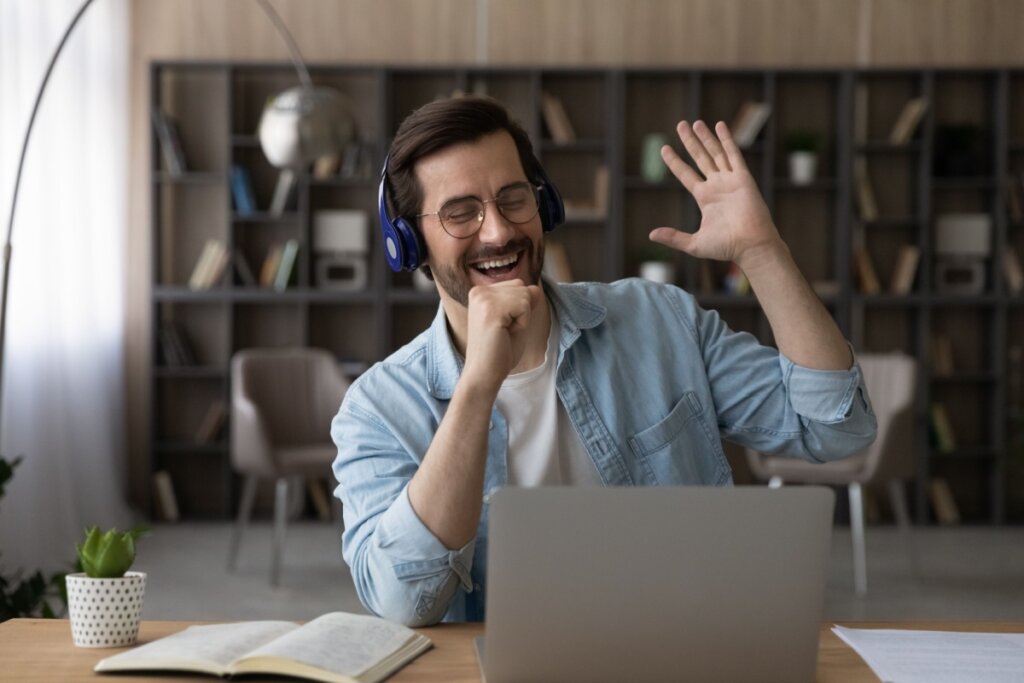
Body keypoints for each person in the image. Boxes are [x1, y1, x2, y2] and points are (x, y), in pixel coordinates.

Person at [331, 96, 877, 627]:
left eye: (513, 198)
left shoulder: (659, 320)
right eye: (461, 213)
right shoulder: (377, 409)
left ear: (544, 205)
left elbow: (836, 428)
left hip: (679, 655)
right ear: (408, 242)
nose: (498, 232)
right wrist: (477, 384)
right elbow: (405, 601)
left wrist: (763, 251)